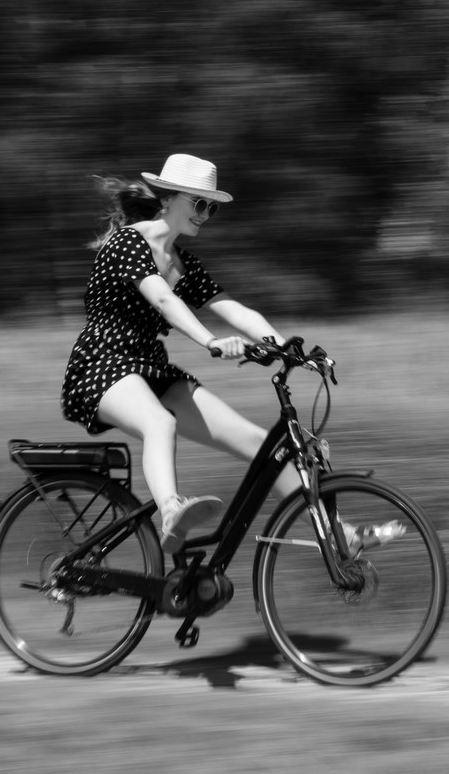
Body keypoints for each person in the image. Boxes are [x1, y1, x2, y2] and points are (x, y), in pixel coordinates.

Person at [61, 153, 302, 552]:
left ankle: (338, 535)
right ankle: (171, 511)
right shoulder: (127, 242)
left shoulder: (182, 263)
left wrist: (287, 348)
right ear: (168, 197)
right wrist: (210, 341)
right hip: (102, 365)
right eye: (198, 203)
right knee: (160, 423)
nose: (205, 214)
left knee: (261, 443)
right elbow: (162, 299)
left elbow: (234, 309)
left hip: (150, 368)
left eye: (211, 207)